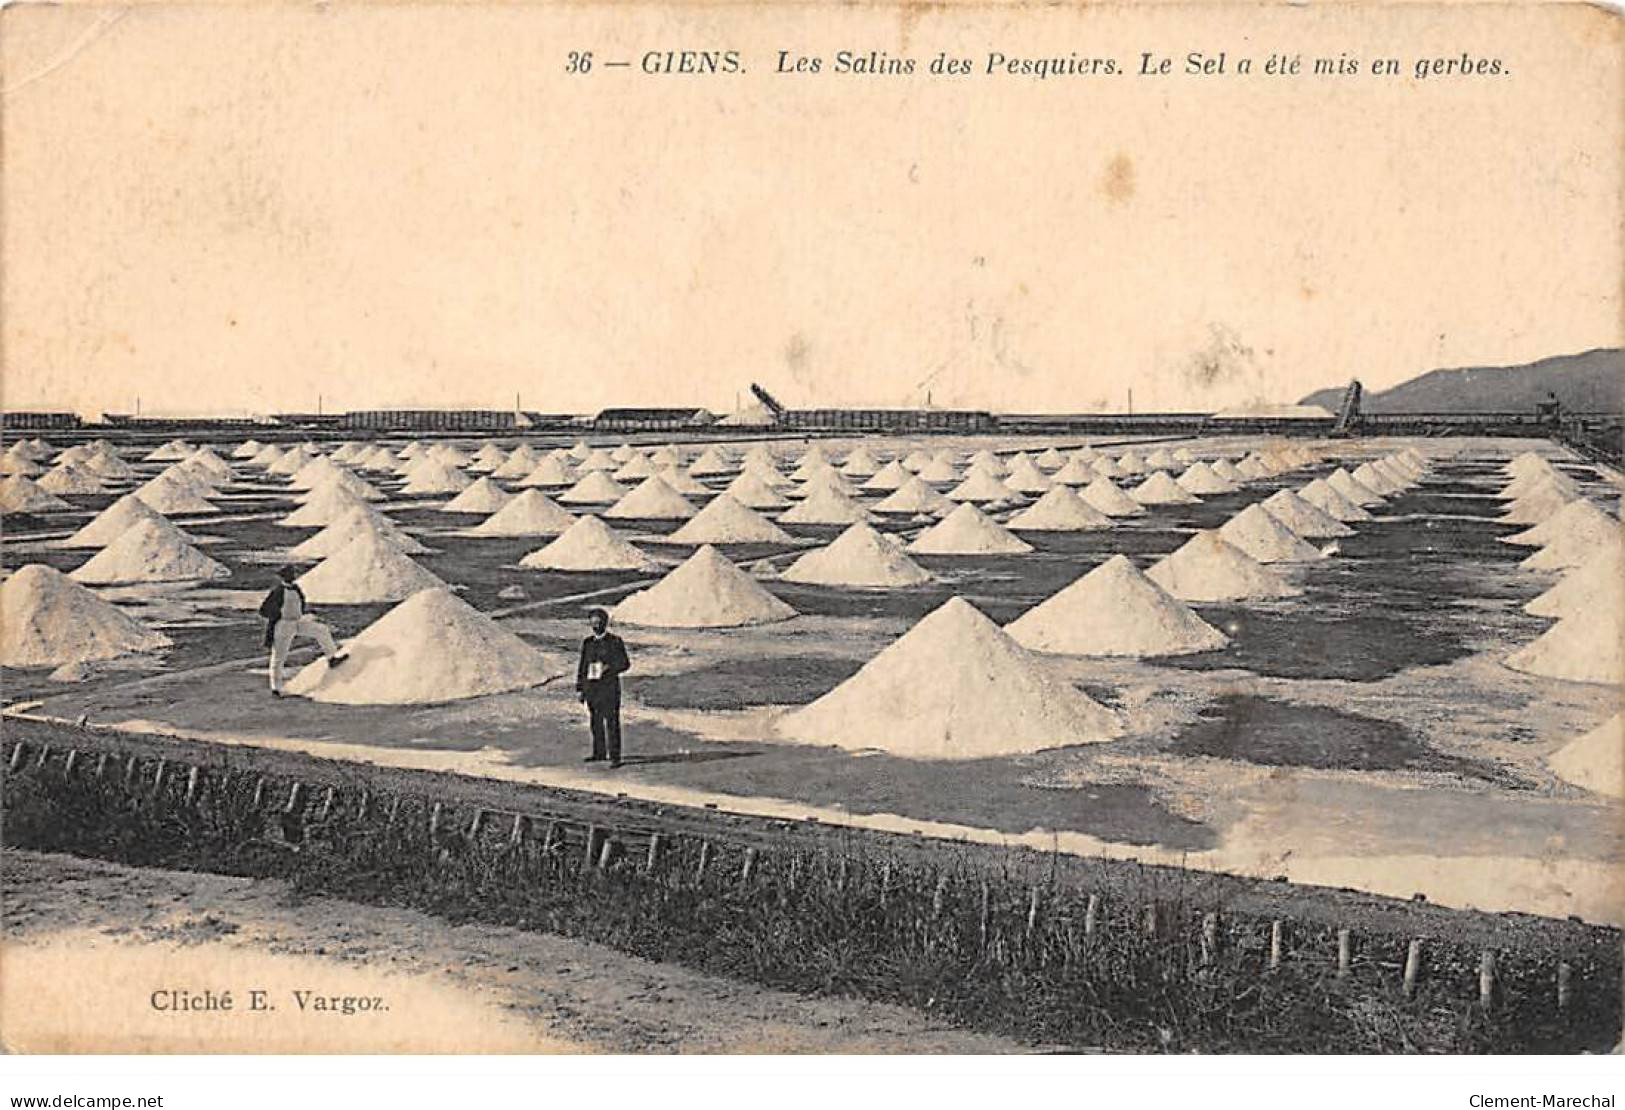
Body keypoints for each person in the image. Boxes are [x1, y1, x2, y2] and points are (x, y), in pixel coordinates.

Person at [258, 565, 347, 697]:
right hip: (283, 625)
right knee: (278, 657)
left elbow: (301, 603)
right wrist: (277, 615)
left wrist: (301, 612)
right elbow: (263, 610)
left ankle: (332, 658)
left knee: (321, 630)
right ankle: (275, 688)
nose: (292, 576)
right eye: (289, 574)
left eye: (292, 574)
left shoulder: (296, 589)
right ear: (283, 577)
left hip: (297, 622)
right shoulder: (278, 591)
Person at [576, 607, 631, 767]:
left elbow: (625, 664)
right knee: (595, 722)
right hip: (592, 689)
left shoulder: (615, 641)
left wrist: (610, 668)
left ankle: (615, 757)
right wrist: (580, 689)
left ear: (605, 623)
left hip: (609, 689)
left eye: (598, 622)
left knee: (612, 722)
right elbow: (582, 666)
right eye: (592, 623)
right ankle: (599, 752)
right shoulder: (587, 643)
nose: (595, 626)